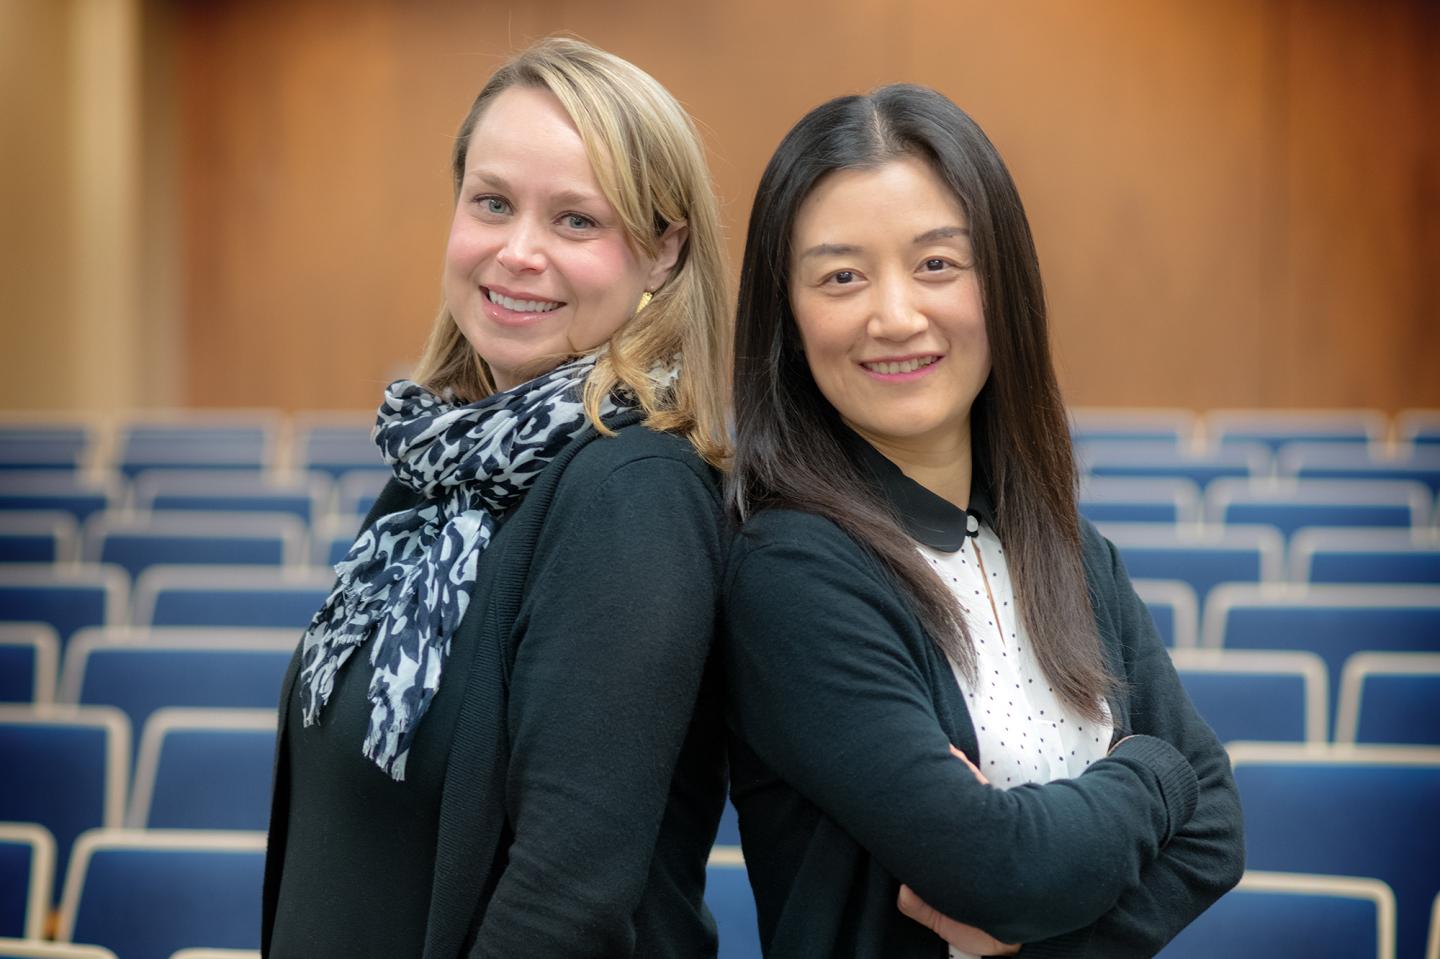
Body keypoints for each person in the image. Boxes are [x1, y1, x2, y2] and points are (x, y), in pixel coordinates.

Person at [723, 84, 1244, 958]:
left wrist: (1034, 936)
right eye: (842, 276)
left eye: (937, 264)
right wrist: (1158, 771)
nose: (896, 316)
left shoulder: (1068, 550)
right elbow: (996, 869)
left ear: (1002, 284)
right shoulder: (790, 572)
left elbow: (1218, 830)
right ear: (788, 316)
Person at [262, 37, 733, 958]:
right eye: (492, 203)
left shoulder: (634, 493)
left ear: (664, 253)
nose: (518, 252)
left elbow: (565, 902)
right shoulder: (438, 470)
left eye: (576, 220)